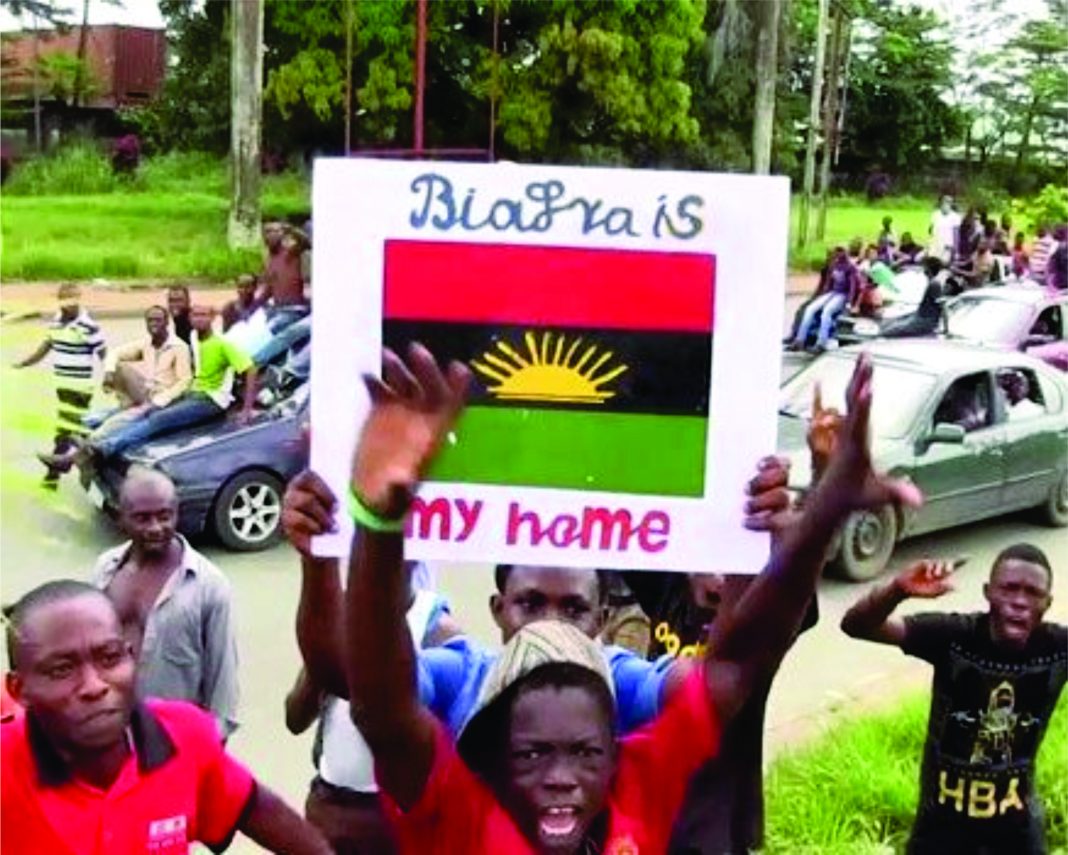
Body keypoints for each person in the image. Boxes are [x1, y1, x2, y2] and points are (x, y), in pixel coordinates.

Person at [339, 343, 920, 853]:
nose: (561, 776)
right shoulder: (454, 815)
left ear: (619, 756)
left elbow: (738, 664)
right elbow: (380, 705)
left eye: (587, 753)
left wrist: (826, 504)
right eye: (531, 754)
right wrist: (380, 521)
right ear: (492, 757)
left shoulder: (640, 790)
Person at [1, 579, 331, 854]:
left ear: (131, 658)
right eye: (62, 670)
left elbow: (256, 808)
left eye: (109, 658)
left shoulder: (184, 735)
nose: (94, 686)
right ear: (18, 689)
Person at [840, 546, 1066, 855]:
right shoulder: (955, 636)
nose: (1019, 602)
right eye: (1009, 588)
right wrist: (897, 590)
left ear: (1047, 603)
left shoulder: (1057, 649)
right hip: (941, 831)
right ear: (988, 592)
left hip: (1018, 832)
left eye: (1033, 593)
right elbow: (856, 626)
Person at [90, 468, 239, 737]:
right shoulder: (105, 570)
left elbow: (223, 682)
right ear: (121, 518)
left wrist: (211, 747)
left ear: (176, 513)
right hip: (112, 734)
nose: (155, 528)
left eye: (164, 516)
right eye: (142, 518)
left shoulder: (209, 586)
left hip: (174, 738)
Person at [44, 304, 259, 470]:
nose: (199, 319)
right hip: (194, 393)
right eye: (196, 315)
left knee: (158, 419)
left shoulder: (222, 344)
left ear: (213, 318)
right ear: (190, 319)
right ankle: (88, 437)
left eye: (204, 315)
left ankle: (99, 449)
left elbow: (250, 369)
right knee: (144, 411)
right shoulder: (195, 337)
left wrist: (247, 409)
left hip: (211, 400)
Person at [13, 283, 106, 489]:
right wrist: (23, 363)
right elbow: (46, 346)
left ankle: (52, 476)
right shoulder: (56, 322)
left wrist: (111, 377)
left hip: (80, 388)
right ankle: (95, 465)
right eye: (66, 300)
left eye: (74, 300)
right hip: (63, 387)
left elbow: (104, 354)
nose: (70, 304)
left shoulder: (88, 326)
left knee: (65, 430)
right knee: (79, 430)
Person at [93, 305, 192, 435]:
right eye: (150, 320)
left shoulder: (179, 347)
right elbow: (114, 353)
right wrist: (109, 373)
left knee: (110, 426)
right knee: (117, 366)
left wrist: (161, 400)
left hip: (163, 398)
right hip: (146, 392)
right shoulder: (146, 344)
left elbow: (184, 381)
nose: (154, 324)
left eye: (158, 320)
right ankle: (126, 405)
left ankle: (100, 435)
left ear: (166, 322)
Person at [790, 246, 860, 353]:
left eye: (841, 251)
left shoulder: (851, 267)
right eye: (837, 252)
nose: (838, 254)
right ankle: (799, 340)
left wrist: (849, 302)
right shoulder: (834, 265)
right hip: (832, 292)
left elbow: (853, 287)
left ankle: (821, 343)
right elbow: (828, 282)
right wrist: (821, 296)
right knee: (810, 309)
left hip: (843, 295)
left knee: (827, 311)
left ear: (845, 253)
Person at [929, 195, 961, 263]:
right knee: (932, 262)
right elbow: (931, 230)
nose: (946, 204)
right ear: (941, 203)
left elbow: (956, 234)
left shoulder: (955, 217)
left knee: (943, 262)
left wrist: (956, 250)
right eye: (944, 202)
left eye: (949, 202)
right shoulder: (935, 215)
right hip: (935, 245)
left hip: (947, 246)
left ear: (951, 204)